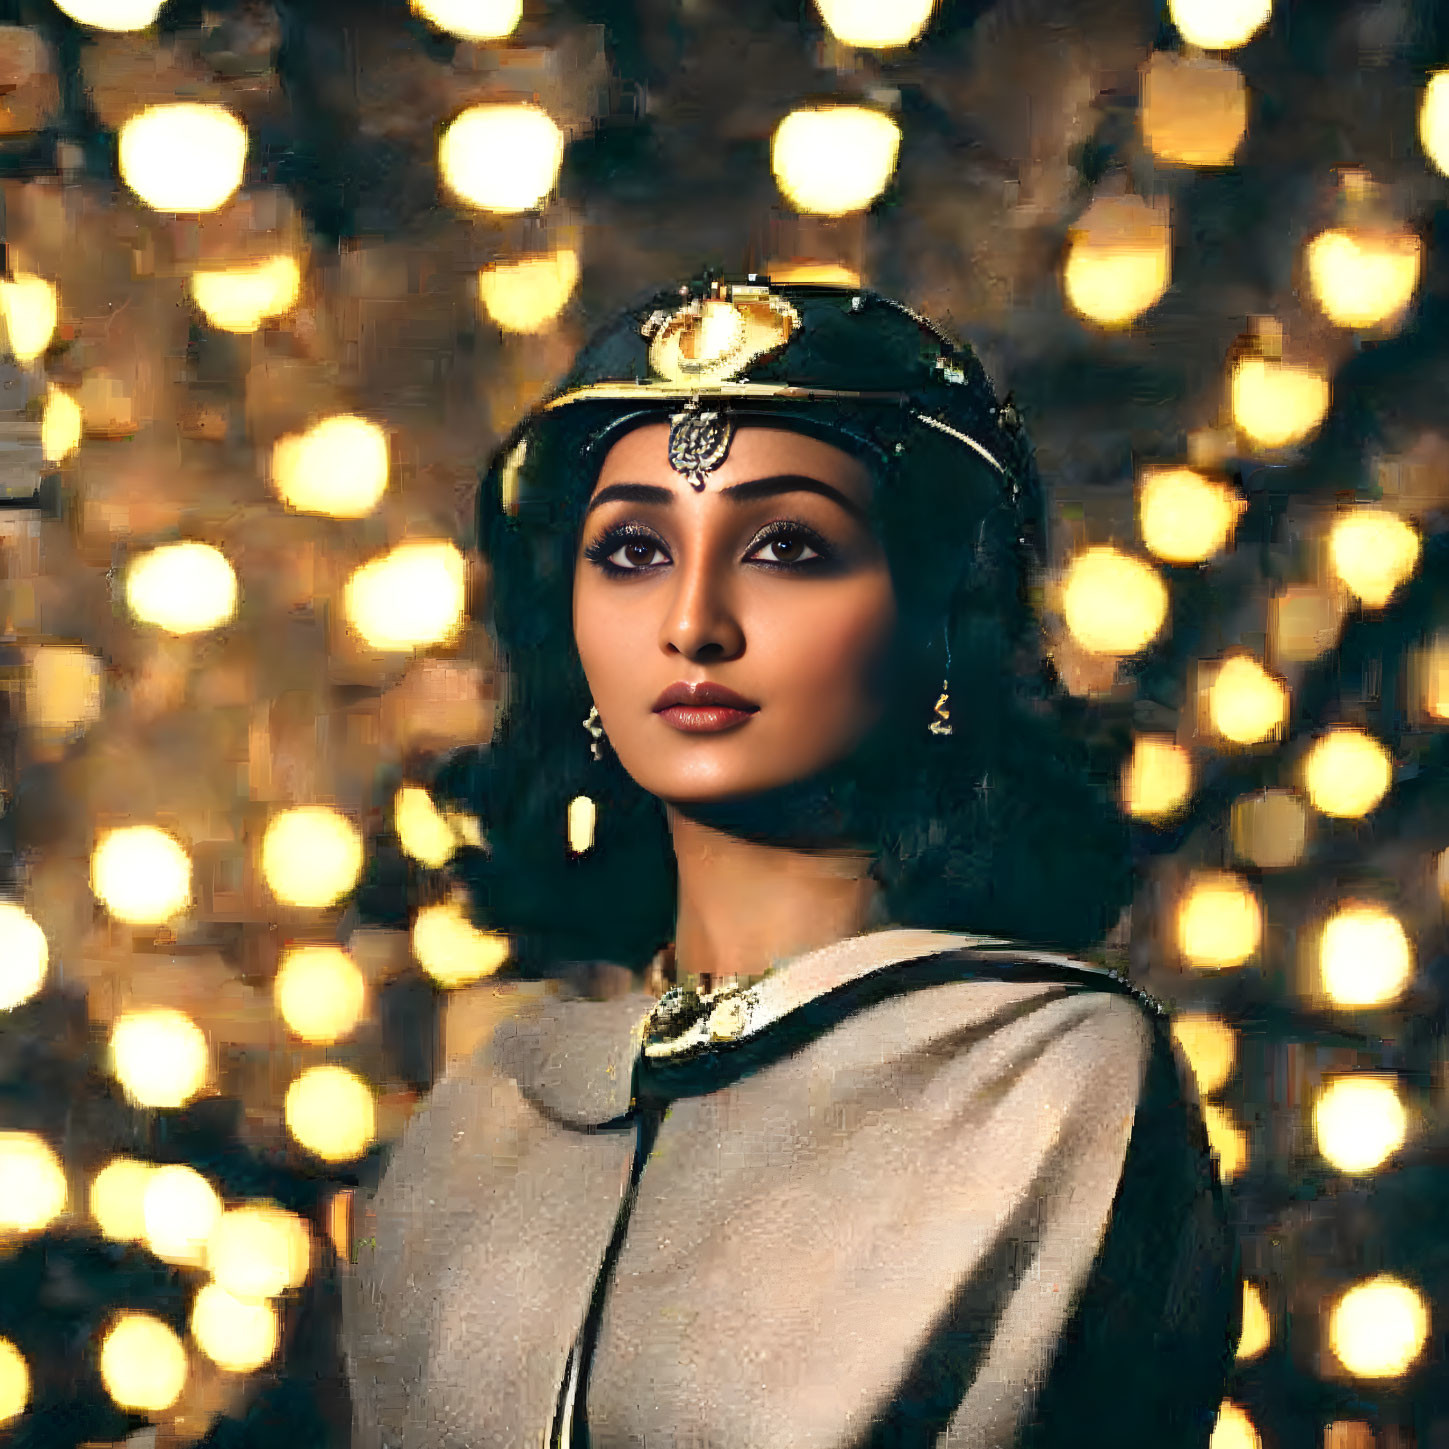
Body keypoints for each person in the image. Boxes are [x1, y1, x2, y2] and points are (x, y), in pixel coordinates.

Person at [337, 273, 1241, 1448]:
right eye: (631, 551)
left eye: (786, 544)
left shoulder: (1044, 1077)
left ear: (939, 625)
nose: (694, 621)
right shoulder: (487, 1120)